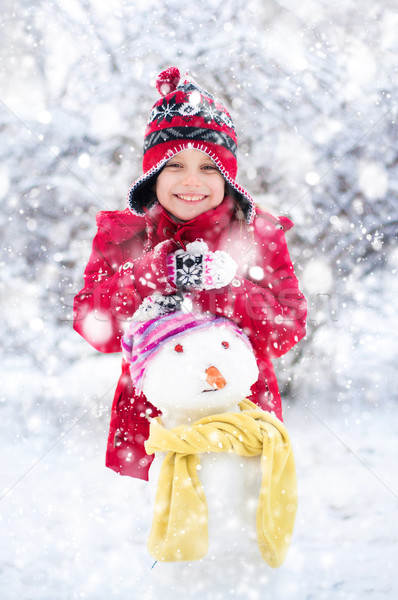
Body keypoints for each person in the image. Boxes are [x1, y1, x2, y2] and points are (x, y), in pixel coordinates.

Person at [73, 66, 307, 481]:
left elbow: (287, 328)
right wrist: (152, 274)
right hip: (156, 425)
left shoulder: (258, 232)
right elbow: (93, 324)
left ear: (228, 175)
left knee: (238, 536)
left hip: (241, 421)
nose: (191, 181)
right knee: (171, 537)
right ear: (152, 172)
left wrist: (223, 290)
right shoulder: (124, 234)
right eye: (175, 165)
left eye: (209, 166)